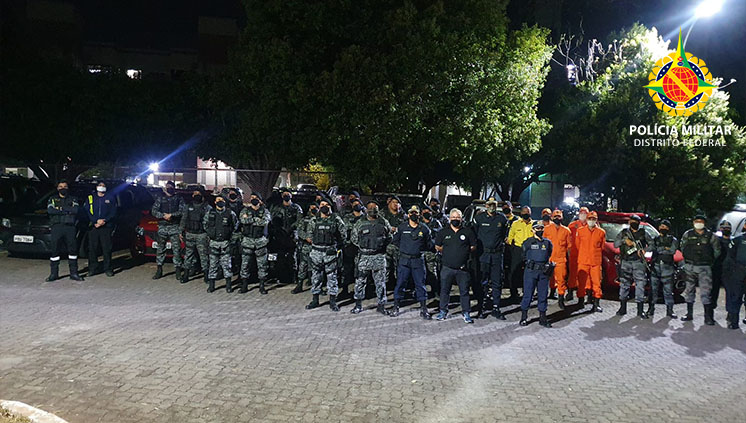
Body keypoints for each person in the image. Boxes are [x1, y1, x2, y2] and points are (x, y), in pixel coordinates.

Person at [350, 200, 392, 315]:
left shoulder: (383, 222)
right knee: (360, 282)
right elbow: (354, 238)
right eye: (370, 207)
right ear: (367, 209)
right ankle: (358, 305)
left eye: (375, 207)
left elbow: (389, 237)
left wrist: (380, 246)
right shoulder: (360, 223)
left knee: (381, 283)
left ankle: (381, 305)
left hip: (379, 256)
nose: (373, 209)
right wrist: (364, 246)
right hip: (364, 257)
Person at [435, 208, 477, 323]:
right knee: (444, 291)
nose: (455, 219)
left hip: (463, 269)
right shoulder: (443, 232)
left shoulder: (468, 232)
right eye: (453, 217)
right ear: (449, 219)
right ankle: (443, 311)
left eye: (457, 217)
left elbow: (473, 246)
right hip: (447, 267)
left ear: (461, 219)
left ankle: (466, 313)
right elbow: (438, 246)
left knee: (464, 292)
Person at [391, 205, 433, 319]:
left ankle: (424, 309)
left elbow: (429, 244)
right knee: (400, 284)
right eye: (411, 213)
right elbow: (396, 241)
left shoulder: (424, 229)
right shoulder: (402, 227)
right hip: (404, 260)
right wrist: (405, 249)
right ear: (408, 214)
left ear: (419, 214)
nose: (413, 215)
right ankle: (396, 307)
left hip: (418, 260)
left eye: (416, 213)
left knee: (420, 285)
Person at [305, 199, 346, 311]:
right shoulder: (314, 220)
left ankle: (333, 301)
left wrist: (335, 246)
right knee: (316, 277)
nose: (324, 206)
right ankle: (315, 300)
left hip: (330, 252)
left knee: (332, 277)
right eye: (322, 205)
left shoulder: (336, 220)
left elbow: (343, 235)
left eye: (327, 205)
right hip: (317, 252)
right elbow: (309, 236)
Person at [679, 215, 721, 324]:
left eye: (701, 221)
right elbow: (682, 248)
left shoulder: (711, 236)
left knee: (706, 292)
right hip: (690, 266)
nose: (698, 223)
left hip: (704, 267)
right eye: (696, 221)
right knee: (689, 290)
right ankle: (689, 314)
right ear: (693, 222)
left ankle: (708, 317)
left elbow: (717, 252)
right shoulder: (687, 234)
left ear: (704, 223)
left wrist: (708, 262)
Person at [474, 198, 508, 320]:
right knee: (482, 282)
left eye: (494, 205)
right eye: (489, 205)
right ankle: (481, 308)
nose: (491, 207)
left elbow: (504, 234)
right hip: (484, 255)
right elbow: (475, 234)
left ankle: (496, 308)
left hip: (497, 255)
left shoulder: (502, 219)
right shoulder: (479, 218)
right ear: (485, 205)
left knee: (497, 282)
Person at [614, 215, 653, 318]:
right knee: (624, 285)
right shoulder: (624, 233)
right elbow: (615, 244)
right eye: (632, 220)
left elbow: (652, 244)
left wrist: (645, 250)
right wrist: (624, 241)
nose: (634, 222)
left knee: (640, 285)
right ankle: (622, 308)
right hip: (625, 262)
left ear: (639, 223)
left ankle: (640, 310)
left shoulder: (644, 233)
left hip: (638, 262)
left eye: (636, 221)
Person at [46, 180, 84, 282]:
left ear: (68, 188)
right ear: (57, 188)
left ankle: (74, 273)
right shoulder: (52, 199)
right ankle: (54, 274)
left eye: (65, 186)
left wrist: (60, 209)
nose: (63, 188)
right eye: (61, 186)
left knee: (72, 250)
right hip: (56, 227)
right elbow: (50, 211)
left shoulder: (73, 199)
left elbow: (75, 210)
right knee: (55, 251)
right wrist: (67, 210)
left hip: (69, 227)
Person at [519, 222, 554, 327]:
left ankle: (542, 318)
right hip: (531, 272)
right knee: (528, 294)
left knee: (543, 294)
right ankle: (524, 317)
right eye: (537, 228)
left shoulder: (547, 243)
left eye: (541, 228)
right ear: (533, 230)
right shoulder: (528, 242)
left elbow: (549, 253)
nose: (539, 230)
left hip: (543, 272)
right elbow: (523, 255)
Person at [203, 195, 238, 293]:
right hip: (214, 242)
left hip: (225, 243)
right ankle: (211, 285)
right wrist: (210, 234)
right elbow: (205, 225)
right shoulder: (210, 213)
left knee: (227, 265)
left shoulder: (230, 213)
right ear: (215, 202)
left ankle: (228, 285)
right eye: (218, 200)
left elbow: (235, 226)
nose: (220, 202)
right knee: (213, 265)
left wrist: (231, 239)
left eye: (222, 200)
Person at [238, 192, 271, 294]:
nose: (253, 199)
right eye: (251, 197)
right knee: (245, 264)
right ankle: (244, 285)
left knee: (262, 265)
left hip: (260, 241)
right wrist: (256, 220)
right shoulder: (245, 210)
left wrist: (251, 220)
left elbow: (265, 221)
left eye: (255, 198)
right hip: (248, 240)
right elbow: (243, 220)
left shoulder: (265, 211)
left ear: (260, 200)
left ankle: (262, 285)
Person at [151, 181, 185, 280]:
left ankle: (178, 270)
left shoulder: (179, 198)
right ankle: (159, 269)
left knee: (176, 250)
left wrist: (172, 215)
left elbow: (182, 211)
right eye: (167, 187)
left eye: (171, 187)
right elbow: (154, 211)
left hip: (174, 226)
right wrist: (163, 216)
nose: (169, 188)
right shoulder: (160, 198)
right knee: (160, 249)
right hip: (162, 227)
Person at [270, 188, 304, 285]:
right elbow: (273, 220)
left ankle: (293, 277)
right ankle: (281, 277)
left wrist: (291, 229)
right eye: (284, 194)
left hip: (292, 236)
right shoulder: (277, 208)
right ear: (282, 196)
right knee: (280, 258)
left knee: (292, 258)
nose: (286, 196)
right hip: (280, 236)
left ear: (291, 195)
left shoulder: (296, 208)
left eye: (288, 194)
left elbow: (299, 221)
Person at [575, 211, 605, 312]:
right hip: (583, 261)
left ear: (596, 220)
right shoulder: (580, 231)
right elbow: (577, 245)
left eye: (593, 219)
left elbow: (602, 247)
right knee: (581, 282)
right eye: (590, 219)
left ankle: (596, 304)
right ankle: (580, 301)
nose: (591, 221)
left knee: (597, 283)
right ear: (587, 219)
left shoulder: (601, 232)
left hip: (595, 262)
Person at [179, 189, 211, 284]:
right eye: (194, 193)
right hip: (190, 234)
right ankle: (185, 275)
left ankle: (206, 275)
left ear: (202, 196)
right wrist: (180, 231)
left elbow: (209, 222)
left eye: (198, 194)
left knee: (203, 256)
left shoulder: (207, 208)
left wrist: (209, 234)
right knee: (188, 255)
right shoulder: (188, 206)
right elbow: (184, 219)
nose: (196, 195)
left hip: (201, 234)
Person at [85, 181, 116, 277]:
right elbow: (87, 211)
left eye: (103, 186)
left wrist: (104, 221)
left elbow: (113, 212)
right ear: (97, 187)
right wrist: (95, 221)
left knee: (106, 248)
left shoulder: (110, 198)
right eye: (100, 185)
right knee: (92, 249)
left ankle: (108, 268)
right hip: (93, 227)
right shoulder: (91, 198)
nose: (101, 187)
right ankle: (92, 269)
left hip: (106, 227)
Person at [649, 219, 679, 318]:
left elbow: (672, 251)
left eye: (665, 226)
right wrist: (664, 248)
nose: (663, 228)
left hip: (668, 267)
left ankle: (670, 310)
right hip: (655, 267)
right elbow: (652, 248)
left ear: (669, 228)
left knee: (668, 291)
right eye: (661, 226)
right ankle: (651, 309)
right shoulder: (655, 239)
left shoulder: (673, 240)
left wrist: (660, 249)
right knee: (653, 290)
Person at [544, 210, 571, 309]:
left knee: (561, 281)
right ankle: (544, 299)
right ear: (552, 217)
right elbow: (543, 244)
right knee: (545, 280)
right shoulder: (546, 229)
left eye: (559, 216)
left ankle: (560, 300)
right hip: (549, 259)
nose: (557, 218)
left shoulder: (566, 231)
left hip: (561, 260)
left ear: (562, 218)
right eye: (555, 216)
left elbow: (569, 246)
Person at [506, 206, 534, 302]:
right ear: (521, 213)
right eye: (524, 212)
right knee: (514, 272)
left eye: (528, 212)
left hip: (530, 251)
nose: (526, 213)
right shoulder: (516, 224)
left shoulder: (534, 224)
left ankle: (527, 293)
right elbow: (510, 238)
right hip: (518, 250)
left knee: (529, 273)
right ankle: (513, 293)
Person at [341, 197, 365, 298]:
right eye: (354, 204)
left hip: (362, 247)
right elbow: (343, 231)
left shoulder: (366, 218)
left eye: (358, 203)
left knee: (360, 270)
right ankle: (344, 290)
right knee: (346, 269)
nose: (356, 205)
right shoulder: (346, 217)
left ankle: (360, 291)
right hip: (349, 246)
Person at [292, 203, 317, 294]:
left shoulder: (320, 219)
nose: (312, 209)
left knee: (317, 267)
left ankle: (317, 287)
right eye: (311, 208)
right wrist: (306, 237)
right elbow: (299, 230)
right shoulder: (304, 220)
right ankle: (299, 285)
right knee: (303, 266)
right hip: (306, 246)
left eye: (314, 208)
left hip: (317, 247)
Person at [723, 229, 746, 329]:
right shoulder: (738, 240)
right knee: (735, 297)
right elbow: (730, 257)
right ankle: (733, 321)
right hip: (738, 272)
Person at [567, 207, 589, 301]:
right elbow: (567, 238)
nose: (583, 215)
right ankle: (570, 292)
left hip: (586, 254)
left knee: (586, 276)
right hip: (574, 253)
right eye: (581, 213)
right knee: (572, 273)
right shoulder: (572, 225)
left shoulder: (592, 226)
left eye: (585, 213)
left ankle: (585, 295)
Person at [421, 205, 443, 299]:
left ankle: (435, 291)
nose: (427, 213)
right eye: (425, 211)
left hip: (431, 252)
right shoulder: (419, 223)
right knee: (419, 274)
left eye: (429, 211)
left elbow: (440, 236)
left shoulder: (436, 223)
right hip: (420, 252)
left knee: (432, 273)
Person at [383, 195, 406, 285]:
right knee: (386, 267)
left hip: (400, 245)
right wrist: (388, 228)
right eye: (394, 202)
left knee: (400, 267)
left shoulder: (404, 216)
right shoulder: (383, 214)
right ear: (389, 204)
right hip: (386, 245)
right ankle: (385, 285)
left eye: (397, 203)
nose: (396, 204)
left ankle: (399, 285)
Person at [712, 220, 733, 309]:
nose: (726, 229)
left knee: (730, 293)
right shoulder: (716, 241)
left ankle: (730, 313)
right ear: (720, 229)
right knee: (713, 292)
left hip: (729, 270)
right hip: (716, 269)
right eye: (724, 228)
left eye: (728, 228)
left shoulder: (734, 242)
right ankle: (710, 313)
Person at [225, 188, 244, 275]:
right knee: (229, 253)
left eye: (234, 194)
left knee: (239, 253)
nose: (232, 195)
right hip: (229, 233)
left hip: (239, 233)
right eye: (230, 194)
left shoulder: (241, 206)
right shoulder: (225, 206)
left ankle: (239, 269)